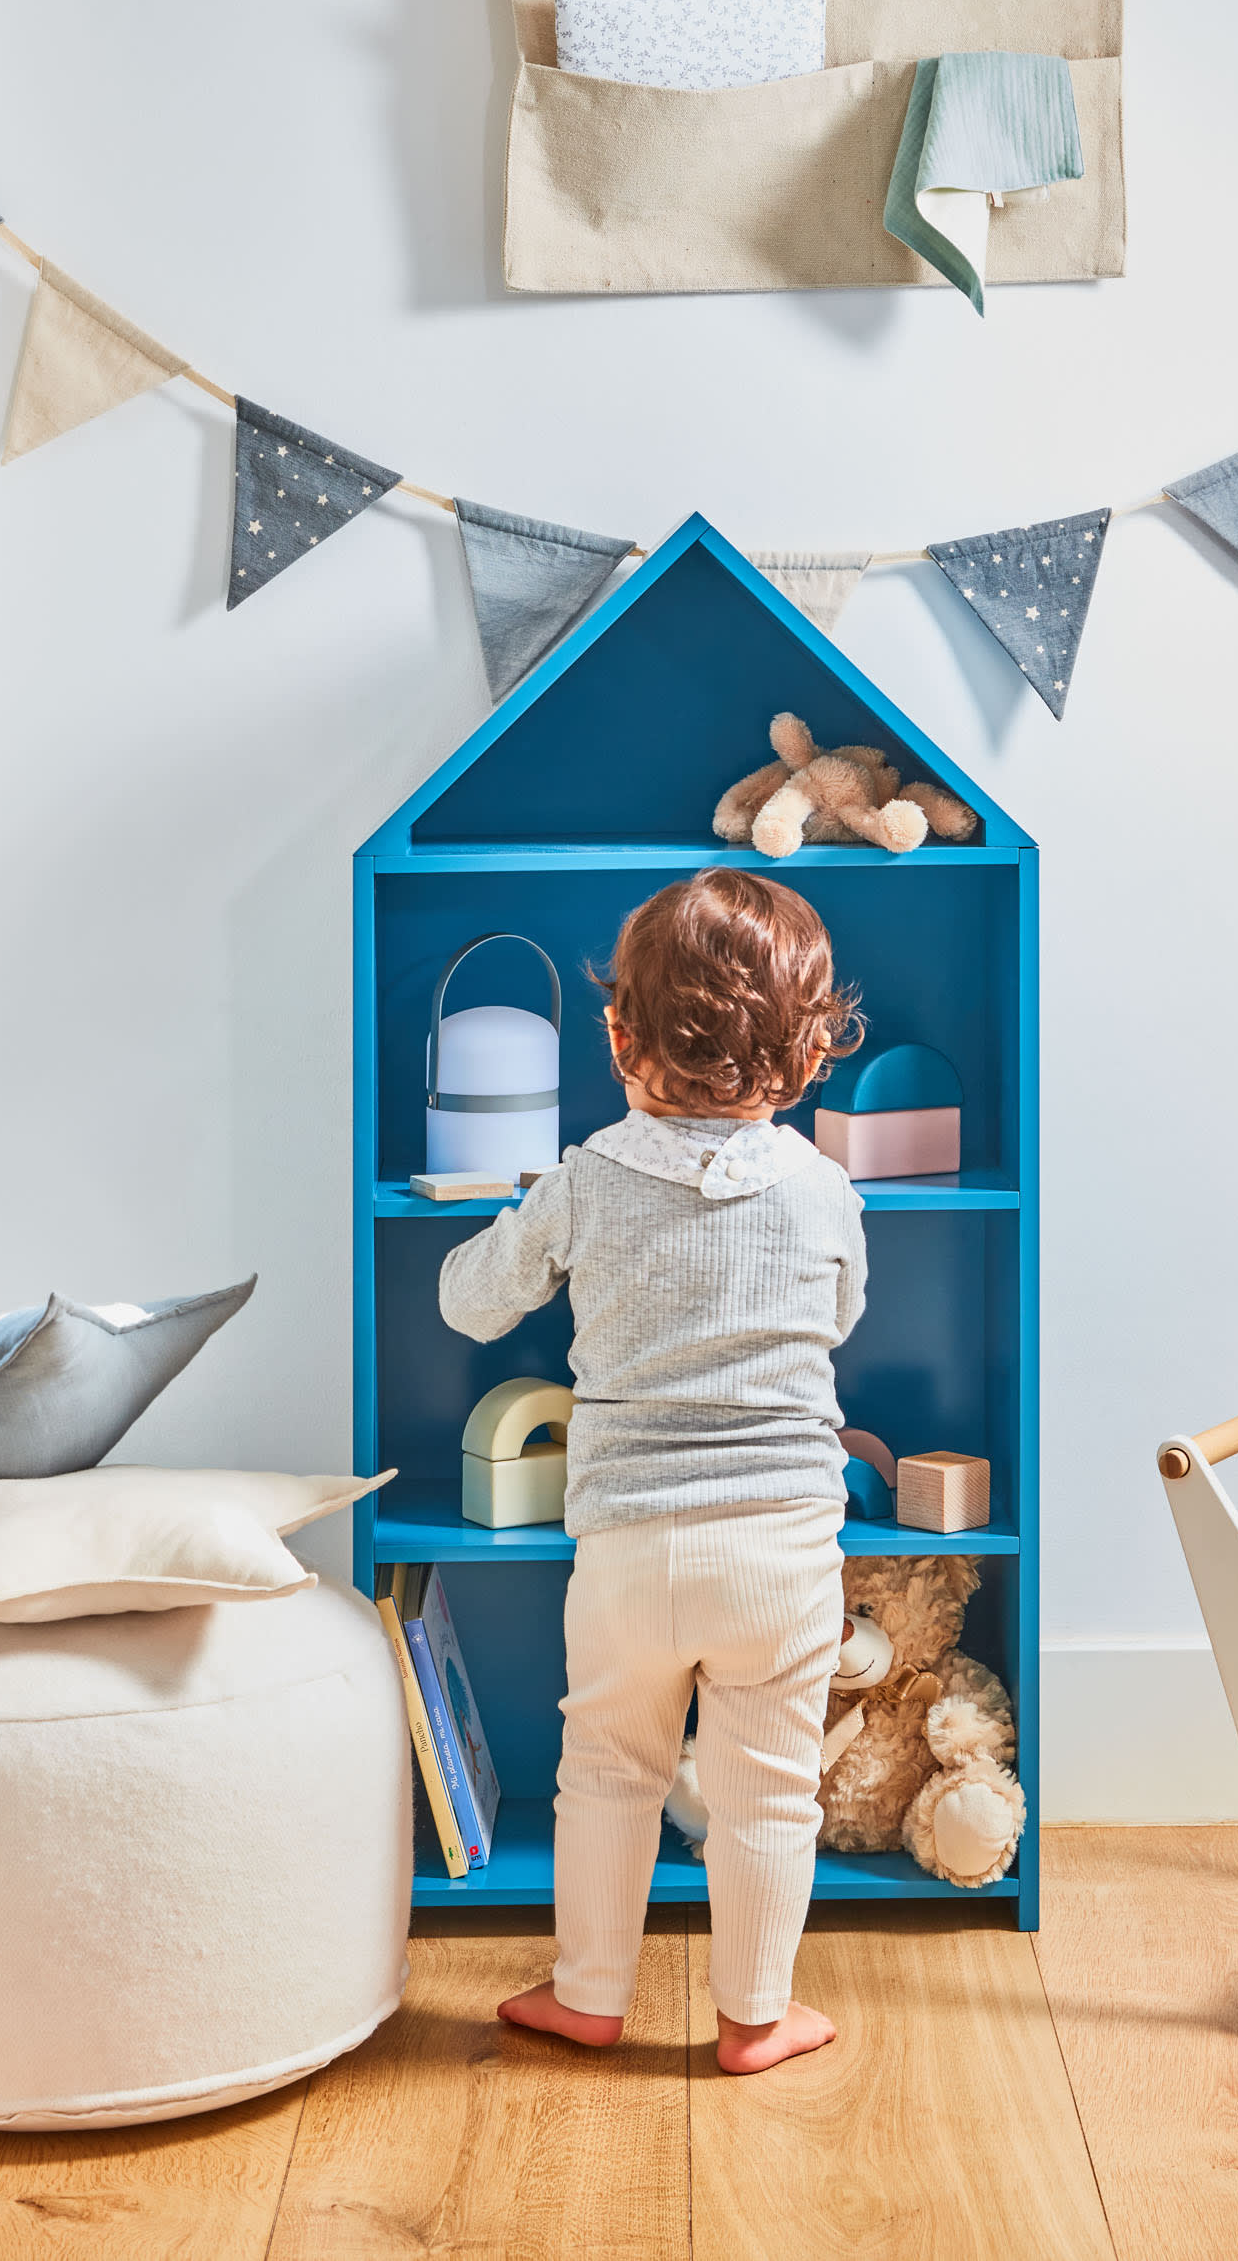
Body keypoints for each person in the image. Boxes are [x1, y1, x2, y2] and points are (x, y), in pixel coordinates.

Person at [438, 867, 867, 2074]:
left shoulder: (585, 1177)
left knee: (608, 1766)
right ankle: (754, 2015)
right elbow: (838, 1317)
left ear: (617, 1036)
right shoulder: (826, 1186)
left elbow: (468, 1304)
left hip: (628, 1538)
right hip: (782, 1543)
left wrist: (531, 1217)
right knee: (771, 1789)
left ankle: (588, 1992)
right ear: (805, 1056)